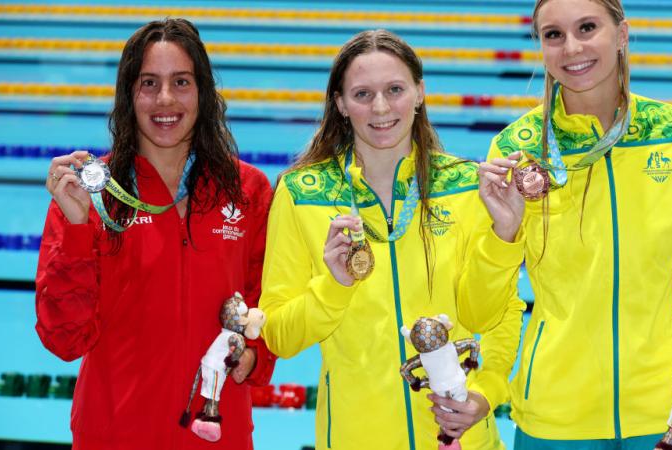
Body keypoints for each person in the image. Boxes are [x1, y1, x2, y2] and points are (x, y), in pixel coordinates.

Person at [476, 0, 672, 449]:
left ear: (621, 34)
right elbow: (483, 309)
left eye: (587, 27)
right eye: (553, 35)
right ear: (540, 46)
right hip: (555, 415)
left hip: (662, 408)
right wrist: (502, 237)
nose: (572, 47)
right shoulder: (515, 150)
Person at [258, 29, 525, 450]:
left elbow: (499, 313)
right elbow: (279, 336)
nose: (380, 108)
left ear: (420, 93)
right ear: (341, 104)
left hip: (462, 438)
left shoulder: (464, 186)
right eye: (362, 94)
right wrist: (334, 285)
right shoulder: (302, 193)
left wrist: (486, 392)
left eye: (395, 89)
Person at [35, 18, 275, 449]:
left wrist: (257, 357)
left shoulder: (248, 190)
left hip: (217, 433)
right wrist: (74, 230)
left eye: (181, 81)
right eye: (149, 83)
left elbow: (271, 306)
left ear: (203, 91)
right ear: (129, 95)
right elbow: (64, 339)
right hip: (113, 432)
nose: (165, 99)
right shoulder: (93, 194)